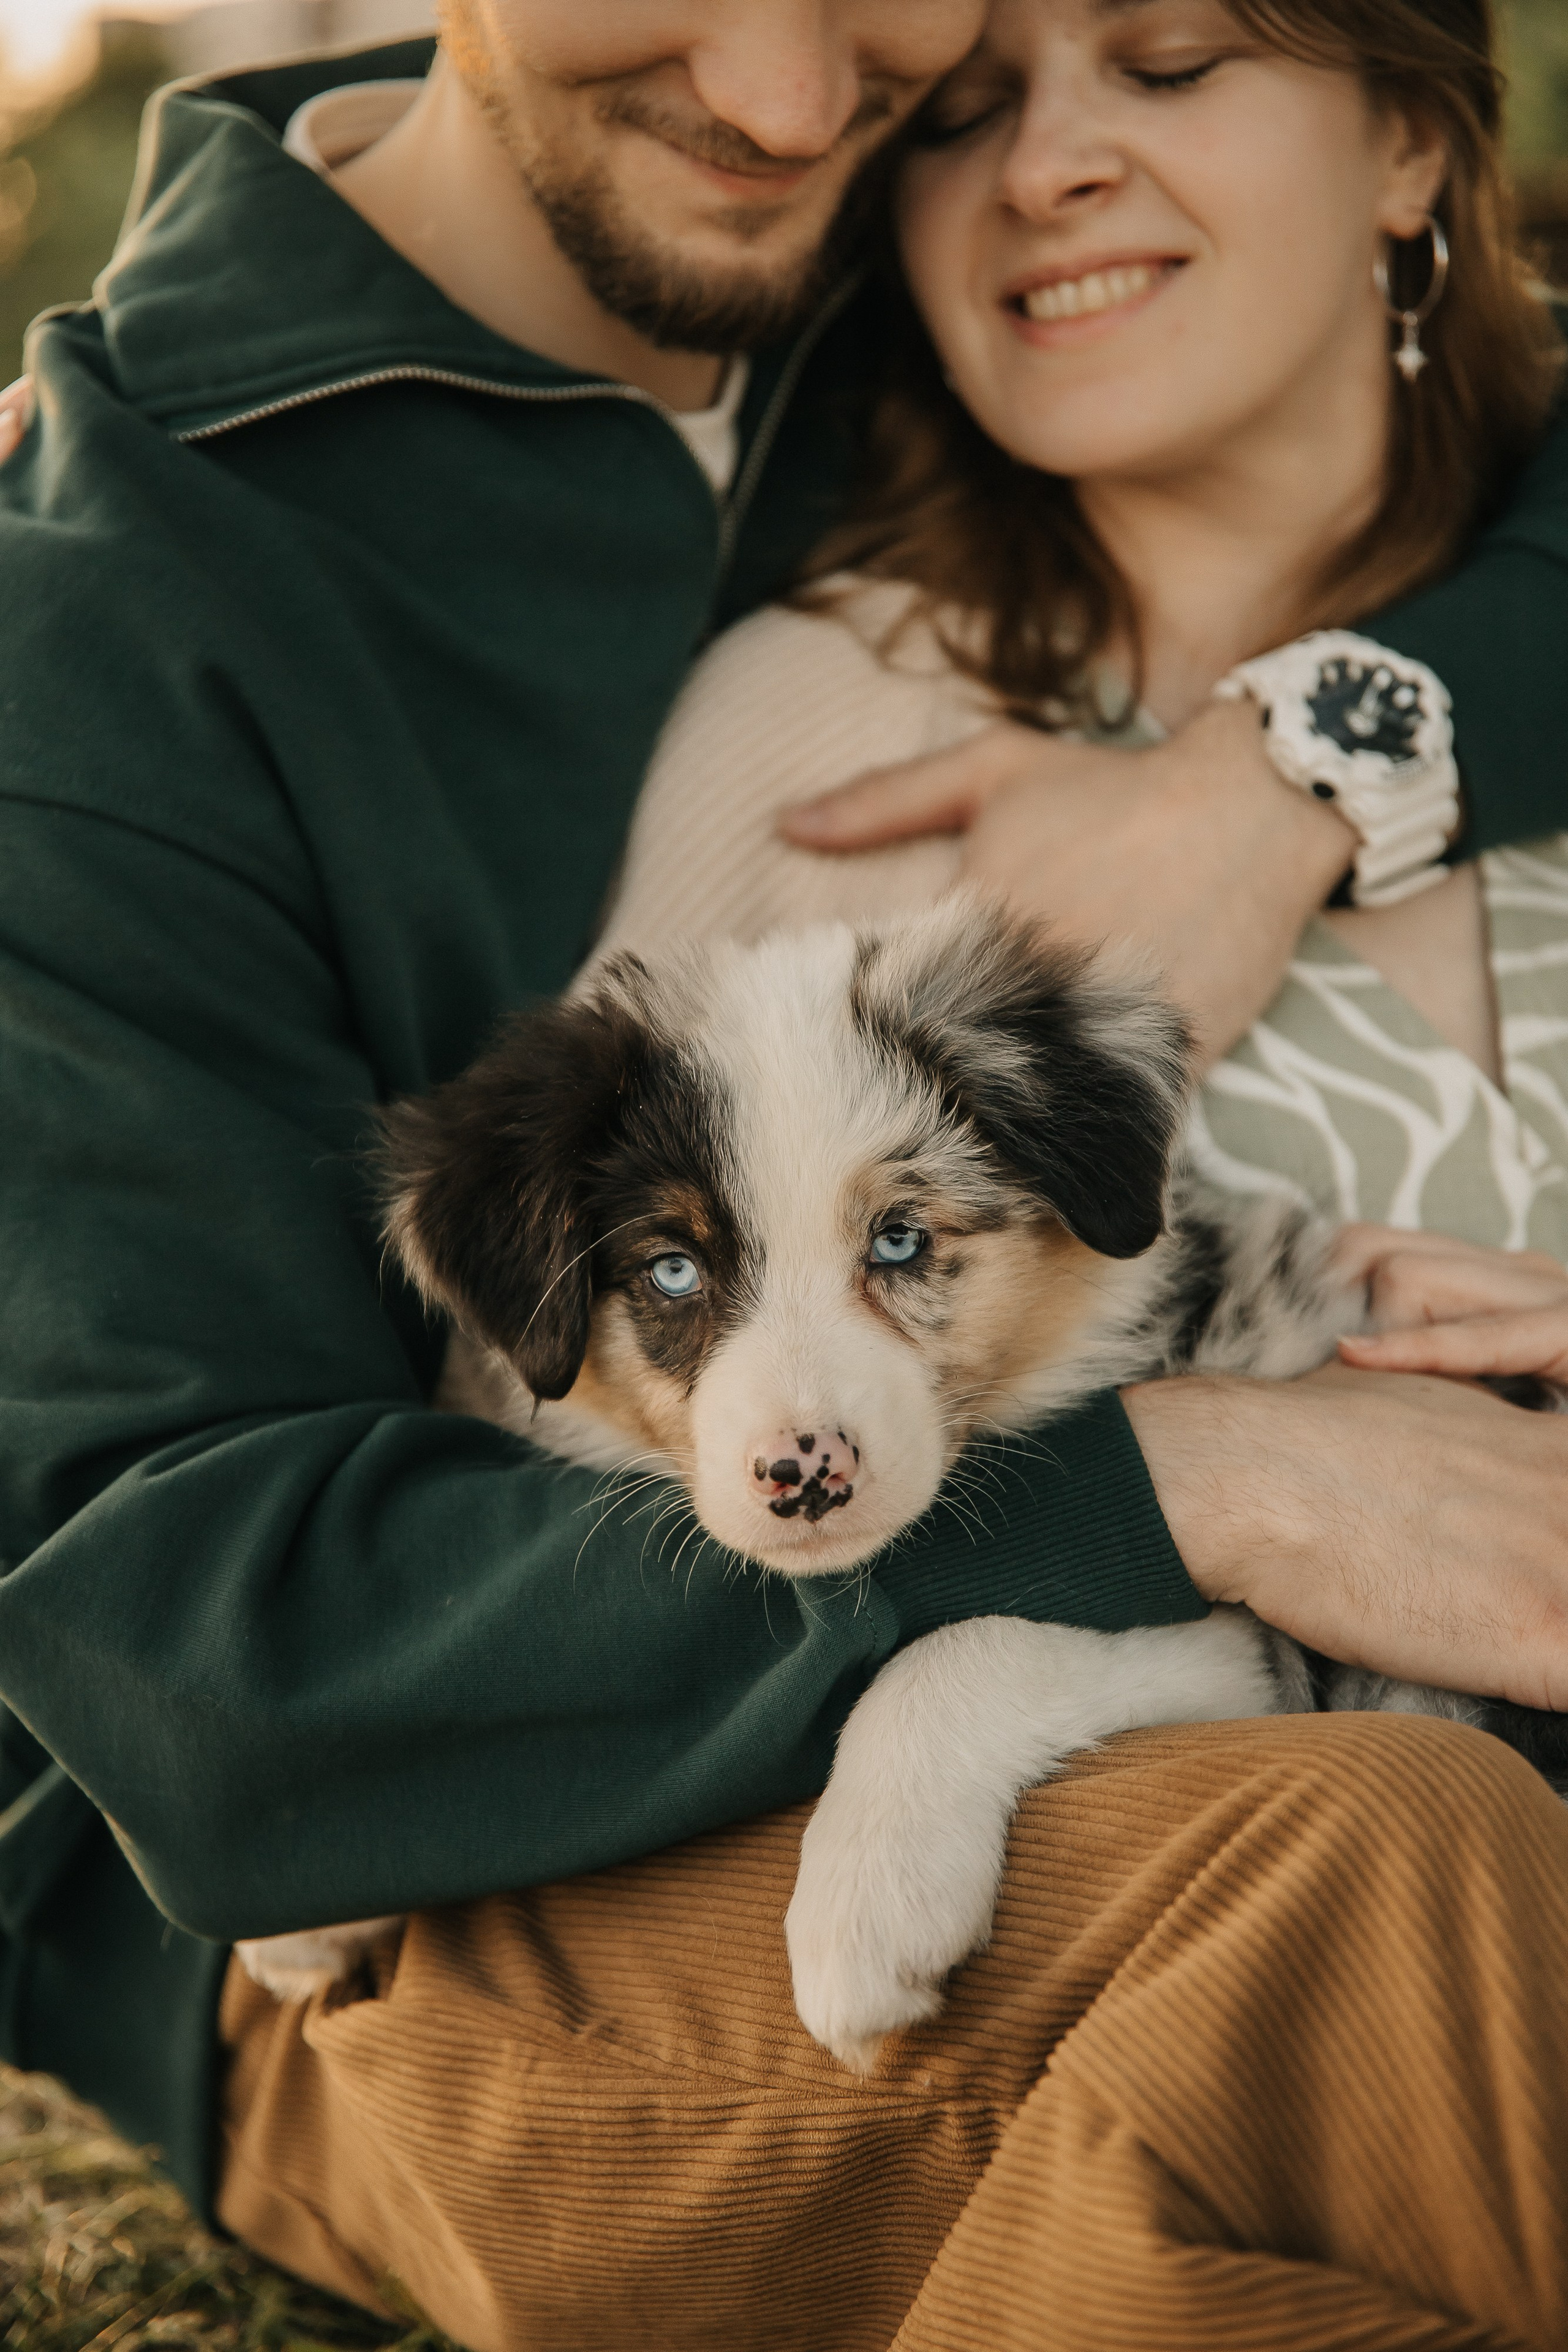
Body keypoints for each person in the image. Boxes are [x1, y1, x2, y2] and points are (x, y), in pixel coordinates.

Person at [1, 2, 1568, 2345]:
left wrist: (1302, 762)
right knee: (1374, 1892)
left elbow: (1426, 410)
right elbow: (215, 1677)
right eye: (987, 113)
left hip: (1014, 1670)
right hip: (380, 1844)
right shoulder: (103, 622)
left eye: (892, 37)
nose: (781, 97)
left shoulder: (872, 280)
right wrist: (1220, 1486)